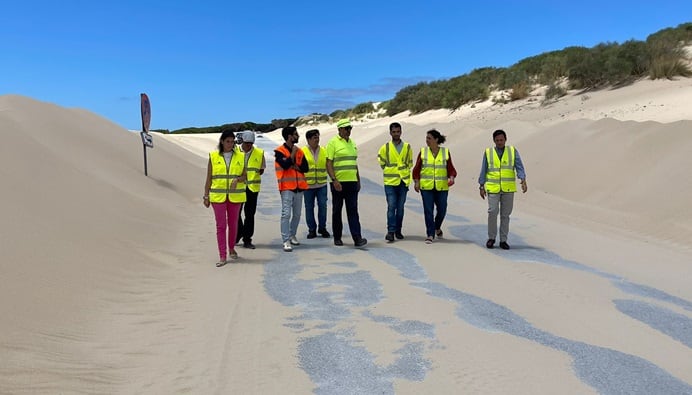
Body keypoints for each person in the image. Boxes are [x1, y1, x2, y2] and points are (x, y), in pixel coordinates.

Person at [203, 130, 247, 267]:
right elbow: (209, 177)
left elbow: (245, 176)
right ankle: (222, 255)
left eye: (232, 141)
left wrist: (238, 180)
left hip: (236, 196)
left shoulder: (240, 156)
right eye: (227, 141)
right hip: (218, 196)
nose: (230, 144)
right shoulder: (213, 156)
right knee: (221, 226)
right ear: (222, 141)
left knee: (233, 224)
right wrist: (206, 195)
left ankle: (231, 248)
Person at [478, 129, 527, 250]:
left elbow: (519, 166)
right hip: (493, 188)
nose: (499, 142)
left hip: (508, 189)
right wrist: (481, 185)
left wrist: (523, 179)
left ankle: (503, 240)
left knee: (505, 215)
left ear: (505, 139)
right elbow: (484, 169)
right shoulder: (488, 152)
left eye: (501, 140)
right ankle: (491, 238)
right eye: (497, 140)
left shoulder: (512, 151)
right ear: (494, 141)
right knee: (492, 212)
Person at [326, 119, 367, 247]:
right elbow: (328, 163)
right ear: (340, 129)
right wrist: (334, 180)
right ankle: (337, 237)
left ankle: (357, 238)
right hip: (338, 183)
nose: (349, 131)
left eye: (350, 128)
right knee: (337, 211)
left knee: (353, 210)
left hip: (352, 182)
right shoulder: (332, 143)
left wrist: (358, 180)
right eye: (346, 128)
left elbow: (354, 163)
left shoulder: (352, 143)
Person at [412, 129, 457, 244]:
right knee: (428, 210)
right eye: (426, 138)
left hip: (442, 187)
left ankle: (437, 227)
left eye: (429, 138)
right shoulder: (423, 152)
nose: (427, 141)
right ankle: (430, 234)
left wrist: (452, 177)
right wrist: (416, 181)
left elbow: (450, 168)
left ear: (436, 140)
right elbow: (416, 169)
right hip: (426, 187)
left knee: (442, 210)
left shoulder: (445, 152)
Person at [275, 126, 309, 252]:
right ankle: (285, 240)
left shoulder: (300, 151)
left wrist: (295, 166)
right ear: (289, 136)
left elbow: (306, 168)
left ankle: (292, 234)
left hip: (299, 187)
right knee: (286, 214)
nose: (298, 136)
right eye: (296, 134)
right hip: (286, 188)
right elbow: (284, 165)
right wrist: (292, 156)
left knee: (297, 214)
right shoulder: (279, 151)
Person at [378, 122, 413, 242]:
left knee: (400, 207)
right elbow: (382, 162)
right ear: (390, 133)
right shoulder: (385, 148)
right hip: (390, 182)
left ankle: (398, 230)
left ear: (401, 132)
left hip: (403, 181)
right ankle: (391, 231)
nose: (396, 134)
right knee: (391, 206)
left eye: (398, 132)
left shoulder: (407, 147)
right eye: (394, 132)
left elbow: (409, 163)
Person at [235, 131, 266, 249]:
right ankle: (239, 233)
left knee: (250, 214)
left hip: (252, 188)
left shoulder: (259, 153)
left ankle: (247, 239)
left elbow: (261, 169)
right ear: (242, 141)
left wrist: (253, 175)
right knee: (236, 213)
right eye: (246, 143)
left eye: (250, 143)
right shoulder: (235, 152)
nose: (248, 145)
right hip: (238, 187)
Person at [301, 129, 331, 239]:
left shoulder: (324, 150)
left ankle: (322, 228)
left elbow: (328, 165)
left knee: (323, 207)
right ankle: (312, 230)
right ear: (308, 139)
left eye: (318, 137)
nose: (317, 140)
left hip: (322, 184)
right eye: (314, 138)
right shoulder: (302, 151)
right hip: (308, 185)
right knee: (309, 208)